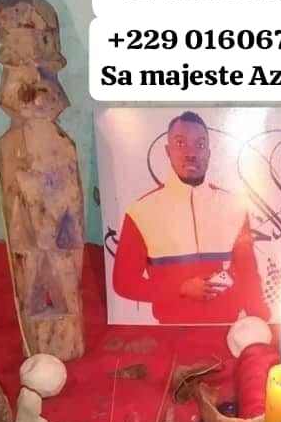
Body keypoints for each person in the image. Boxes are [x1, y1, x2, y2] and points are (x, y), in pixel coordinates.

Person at [113, 111, 267, 324]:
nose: (191, 153)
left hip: (229, 330)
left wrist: (261, 322)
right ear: (168, 151)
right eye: (181, 143)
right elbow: (124, 283)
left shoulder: (234, 206)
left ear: (209, 153)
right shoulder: (140, 211)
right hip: (171, 334)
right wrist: (181, 289)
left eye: (200, 145)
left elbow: (248, 274)